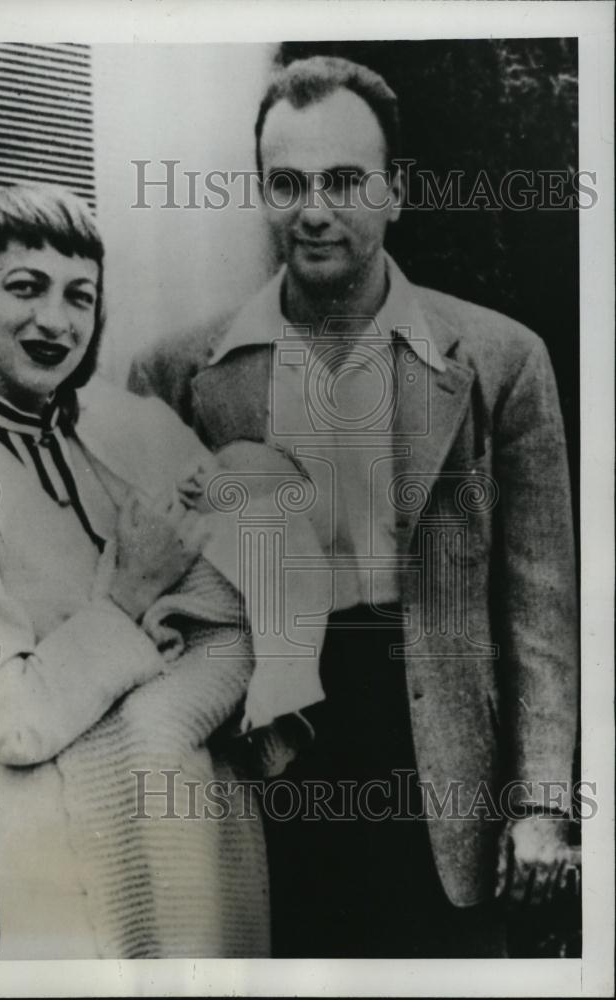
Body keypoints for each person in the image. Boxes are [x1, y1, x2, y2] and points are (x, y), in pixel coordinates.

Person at [128, 56, 579, 957]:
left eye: (343, 180)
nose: (314, 210)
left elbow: (541, 611)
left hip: (445, 760)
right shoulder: (179, 374)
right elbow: (144, 596)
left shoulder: (501, 361)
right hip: (256, 749)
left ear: (396, 190)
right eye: (287, 183)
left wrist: (540, 804)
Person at [0, 184, 328, 959]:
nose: (55, 320)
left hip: (207, 809)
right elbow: (7, 715)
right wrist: (126, 602)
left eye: (79, 297)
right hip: (72, 849)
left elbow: (254, 561)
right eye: (25, 287)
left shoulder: (132, 422)